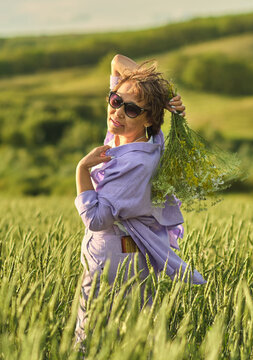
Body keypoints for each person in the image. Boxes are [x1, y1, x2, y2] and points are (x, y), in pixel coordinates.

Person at [74, 54, 206, 344]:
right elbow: (117, 61)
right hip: (128, 256)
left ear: (149, 118)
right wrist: (166, 93)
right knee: (134, 339)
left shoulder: (135, 162)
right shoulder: (133, 138)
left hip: (112, 259)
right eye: (115, 101)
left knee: (91, 340)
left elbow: (96, 219)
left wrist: (82, 170)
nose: (118, 112)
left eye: (132, 109)